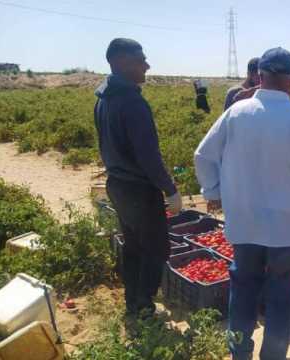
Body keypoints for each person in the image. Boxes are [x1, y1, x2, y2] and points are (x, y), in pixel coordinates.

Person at [194, 47, 290, 360]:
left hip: (245, 223)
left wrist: (213, 192)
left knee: (242, 293)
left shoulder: (236, 113)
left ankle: (239, 353)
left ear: (260, 77)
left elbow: (203, 154)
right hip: (288, 229)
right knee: (281, 300)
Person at [94, 38, 182, 320]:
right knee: (156, 249)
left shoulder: (104, 98)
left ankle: (133, 301)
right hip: (138, 190)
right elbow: (148, 156)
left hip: (118, 186)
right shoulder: (132, 102)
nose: (147, 65)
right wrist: (170, 189)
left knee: (133, 247)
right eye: (140, 60)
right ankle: (144, 307)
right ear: (121, 63)